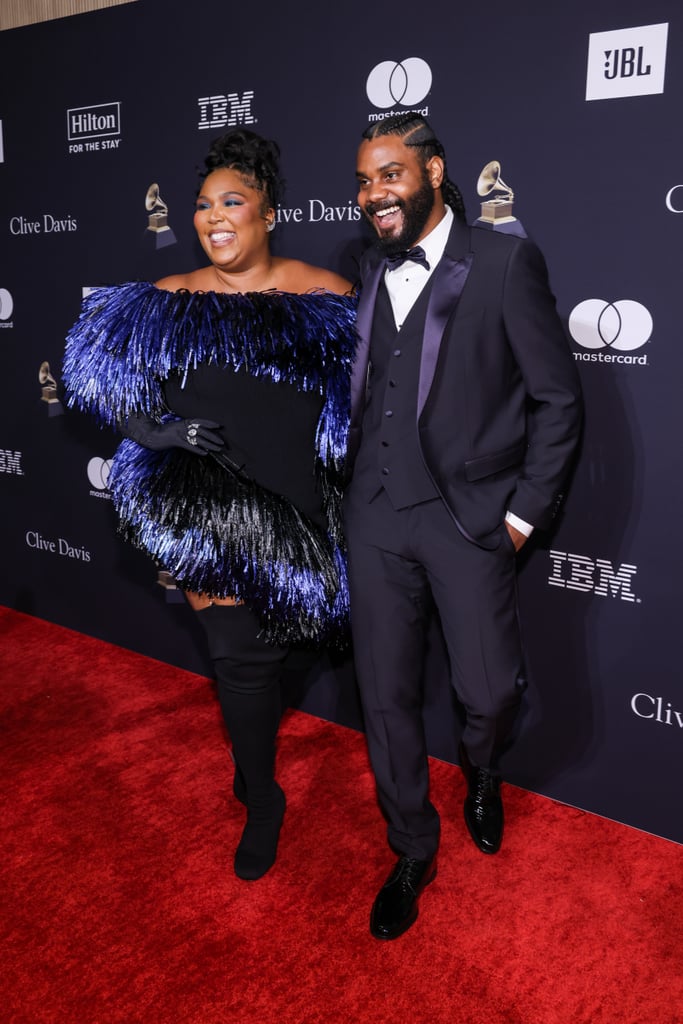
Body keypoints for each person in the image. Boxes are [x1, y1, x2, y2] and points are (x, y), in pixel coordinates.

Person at [63, 129, 356, 882]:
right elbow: (96, 385)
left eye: (233, 202)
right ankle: (262, 796)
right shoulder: (162, 301)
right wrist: (163, 432)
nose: (214, 217)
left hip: (306, 513)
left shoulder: (326, 293)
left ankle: (251, 750)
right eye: (202, 205)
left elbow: (370, 404)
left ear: (268, 214)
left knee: (292, 646)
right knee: (241, 664)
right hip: (209, 517)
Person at [344, 113, 583, 939]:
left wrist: (520, 516)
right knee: (384, 695)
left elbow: (556, 401)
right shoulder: (369, 265)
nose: (374, 193)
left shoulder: (506, 262)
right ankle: (411, 844)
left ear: (434, 171)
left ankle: (483, 771)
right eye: (364, 180)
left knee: (488, 693)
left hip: (468, 519)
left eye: (390, 174)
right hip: (373, 514)